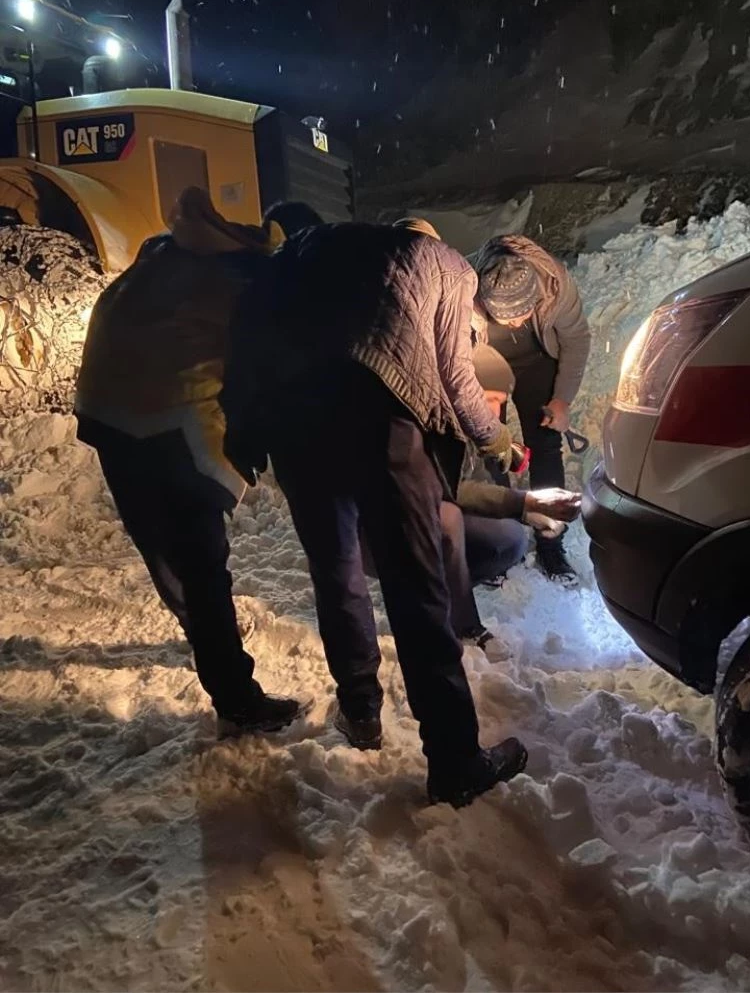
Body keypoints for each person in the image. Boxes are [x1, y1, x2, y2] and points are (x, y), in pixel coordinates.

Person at [222, 215, 528, 807]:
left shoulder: (306, 251)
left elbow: (246, 330)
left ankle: (360, 710)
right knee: (417, 589)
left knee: (336, 571)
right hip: (376, 409)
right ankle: (455, 761)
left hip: (293, 419)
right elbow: (456, 378)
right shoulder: (449, 267)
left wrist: (244, 427)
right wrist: (498, 445)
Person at [74, 188, 315, 739]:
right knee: (202, 563)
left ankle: (200, 626)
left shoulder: (166, 252)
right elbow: (265, 375)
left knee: (168, 549)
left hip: (105, 412)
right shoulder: (255, 280)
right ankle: (237, 696)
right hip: (169, 420)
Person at [359, 342, 582, 659]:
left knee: (509, 539)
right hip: (375, 533)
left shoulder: (471, 423)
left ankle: (439, 589)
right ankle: (461, 625)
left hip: (423, 518)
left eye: (501, 403)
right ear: (464, 390)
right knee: (448, 518)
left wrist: (503, 461)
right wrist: (524, 503)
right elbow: (445, 489)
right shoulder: (424, 419)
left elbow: (474, 483)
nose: (494, 412)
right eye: (489, 399)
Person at [471, 234, 590, 587]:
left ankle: (550, 541)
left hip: (537, 360)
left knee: (545, 442)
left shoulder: (554, 283)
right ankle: (502, 540)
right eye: (505, 318)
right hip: (486, 363)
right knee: (491, 447)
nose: (516, 323)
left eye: (522, 313)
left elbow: (576, 339)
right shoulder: (463, 290)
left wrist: (562, 401)